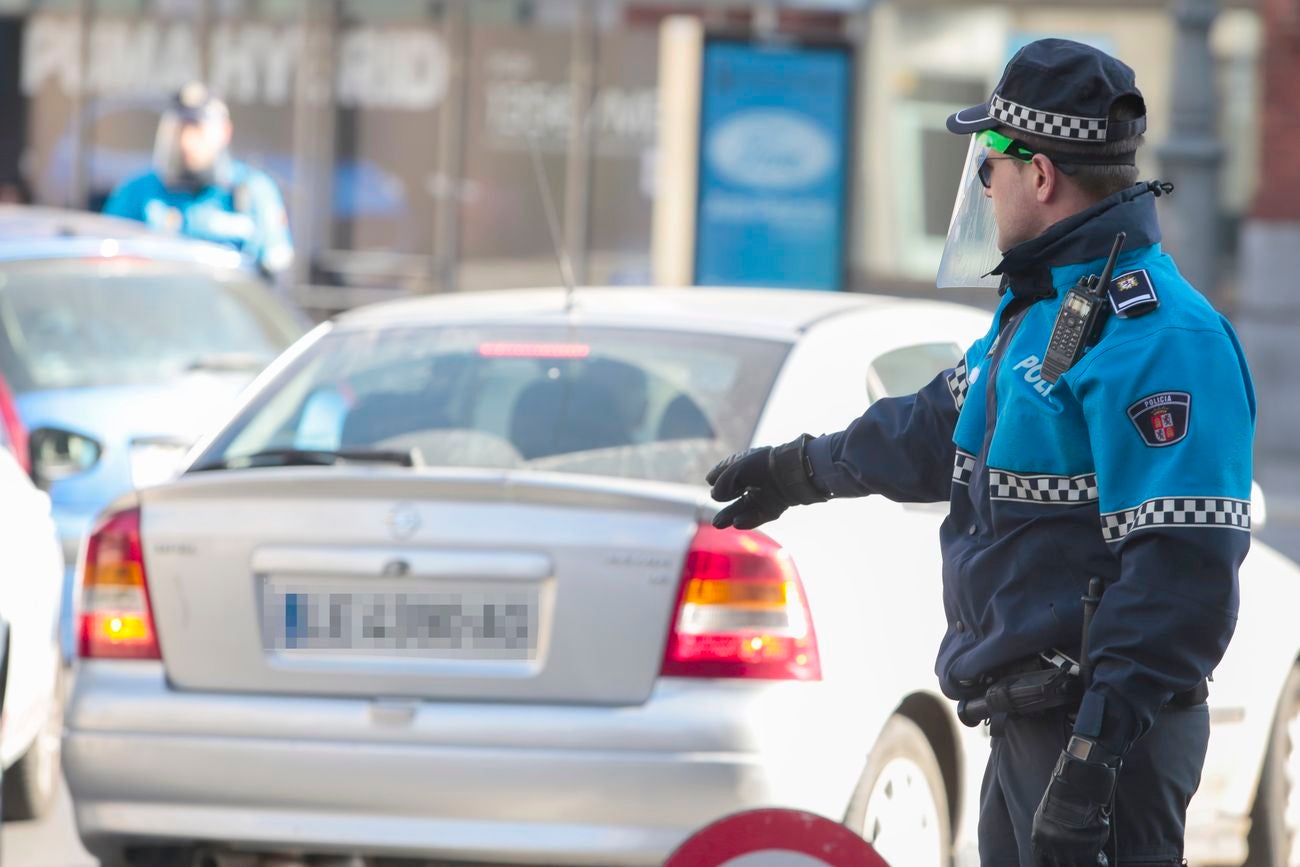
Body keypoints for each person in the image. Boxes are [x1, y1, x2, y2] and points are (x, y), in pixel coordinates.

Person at [706, 39, 1254, 867]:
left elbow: (1182, 571)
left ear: (1040, 176)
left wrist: (1092, 757)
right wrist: (798, 468)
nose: (982, 181)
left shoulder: (1159, 339)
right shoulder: (1041, 310)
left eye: (990, 158)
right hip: (1029, 724)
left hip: (1101, 739)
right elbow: (932, 429)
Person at [104, 82, 294, 279]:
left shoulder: (253, 190)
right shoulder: (138, 193)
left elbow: (275, 263)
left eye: (197, 129)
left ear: (225, 132)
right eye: (180, 129)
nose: (187, 141)